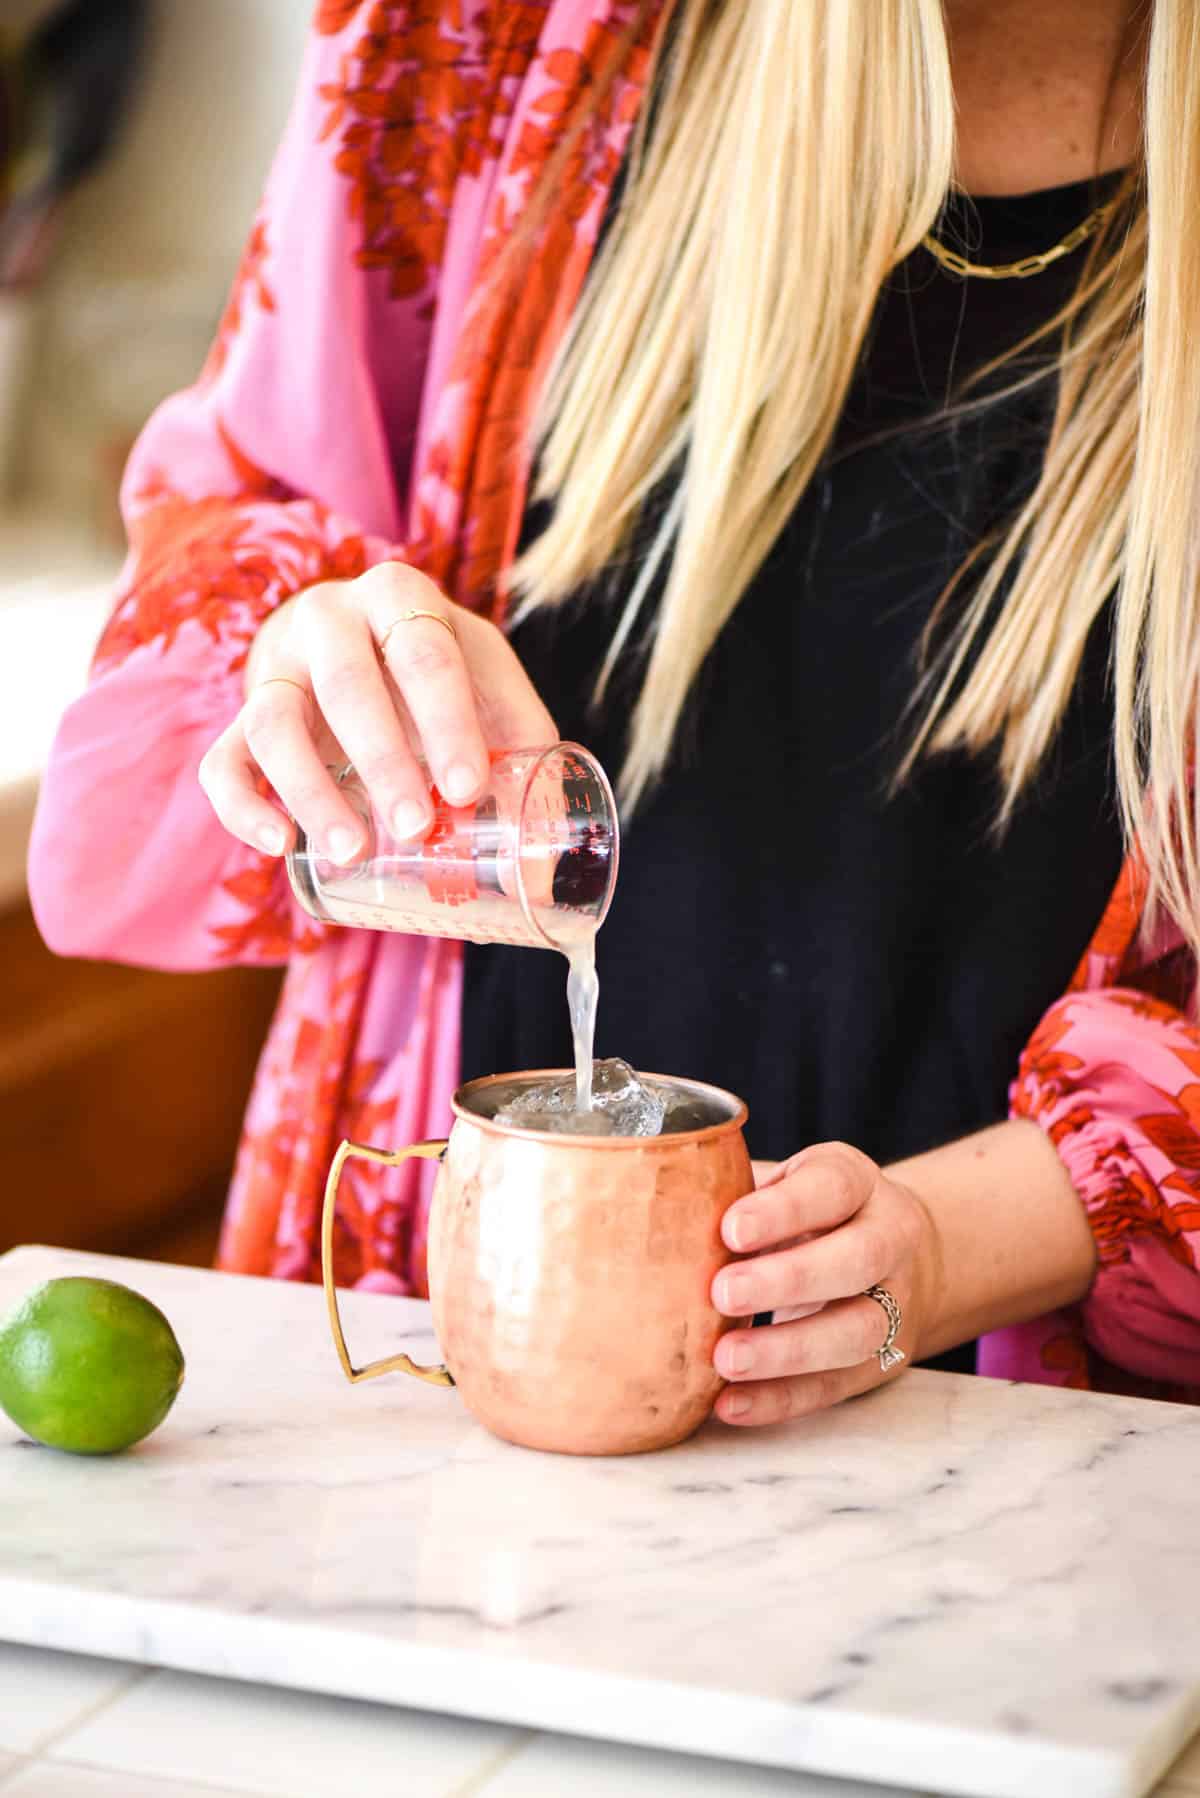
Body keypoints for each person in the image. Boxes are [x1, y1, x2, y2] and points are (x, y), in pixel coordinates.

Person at [29, 0, 1200, 1426]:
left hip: (1041, 1490)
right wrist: (300, 650)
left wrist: (958, 1241)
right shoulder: (476, 42)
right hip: (442, 1393)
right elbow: (159, 735)